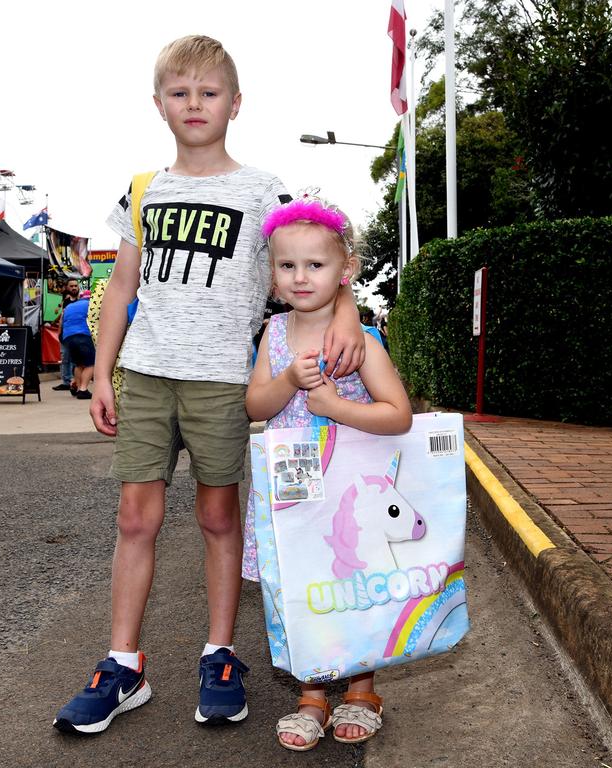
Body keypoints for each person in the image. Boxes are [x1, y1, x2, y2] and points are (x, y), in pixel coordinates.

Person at [52, 35, 366, 735]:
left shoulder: (259, 188)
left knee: (220, 518)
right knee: (136, 519)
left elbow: (322, 244)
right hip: (147, 374)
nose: (195, 104)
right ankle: (122, 665)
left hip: (224, 379)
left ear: (235, 103)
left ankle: (220, 656)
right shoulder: (142, 190)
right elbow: (123, 284)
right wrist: (102, 374)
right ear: (159, 103)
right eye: (180, 92)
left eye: (209, 92)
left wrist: (343, 306)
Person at [242, 196, 413, 751]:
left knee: (355, 587)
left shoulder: (359, 342)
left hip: (349, 491)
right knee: (304, 585)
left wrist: (337, 408)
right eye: (287, 265)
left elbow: (398, 415)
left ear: (347, 269)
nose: (300, 276)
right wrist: (289, 377)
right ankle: (311, 694)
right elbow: (256, 406)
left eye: (315, 265)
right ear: (273, 273)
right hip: (294, 494)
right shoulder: (273, 336)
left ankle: (362, 690)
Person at [60, 289, 95, 400]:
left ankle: (79, 388)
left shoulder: (70, 306)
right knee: (91, 363)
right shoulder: (91, 304)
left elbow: (61, 321)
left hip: (68, 337)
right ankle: (83, 389)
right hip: (83, 335)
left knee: (78, 364)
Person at [52, 278, 81, 393]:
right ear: (67, 288)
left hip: (78, 333)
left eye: (75, 286)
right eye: (71, 286)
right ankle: (65, 382)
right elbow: (62, 317)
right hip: (66, 334)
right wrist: (59, 331)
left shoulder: (82, 300)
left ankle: (75, 382)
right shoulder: (65, 301)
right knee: (65, 358)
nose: (74, 288)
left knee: (76, 360)